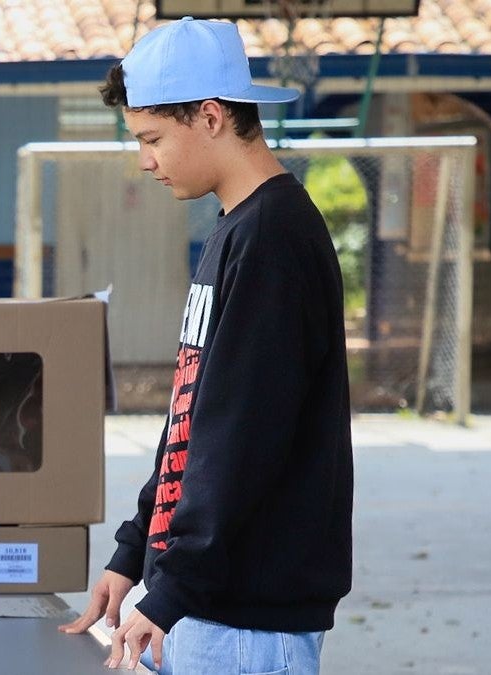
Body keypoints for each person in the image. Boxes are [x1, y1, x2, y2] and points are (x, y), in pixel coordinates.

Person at [59, 17, 353, 674]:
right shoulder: (236, 226)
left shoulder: (273, 240)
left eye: (154, 138)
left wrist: (174, 586)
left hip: (243, 614)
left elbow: (242, 439)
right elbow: (190, 421)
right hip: (205, 602)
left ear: (213, 116)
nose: (145, 159)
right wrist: (134, 553)